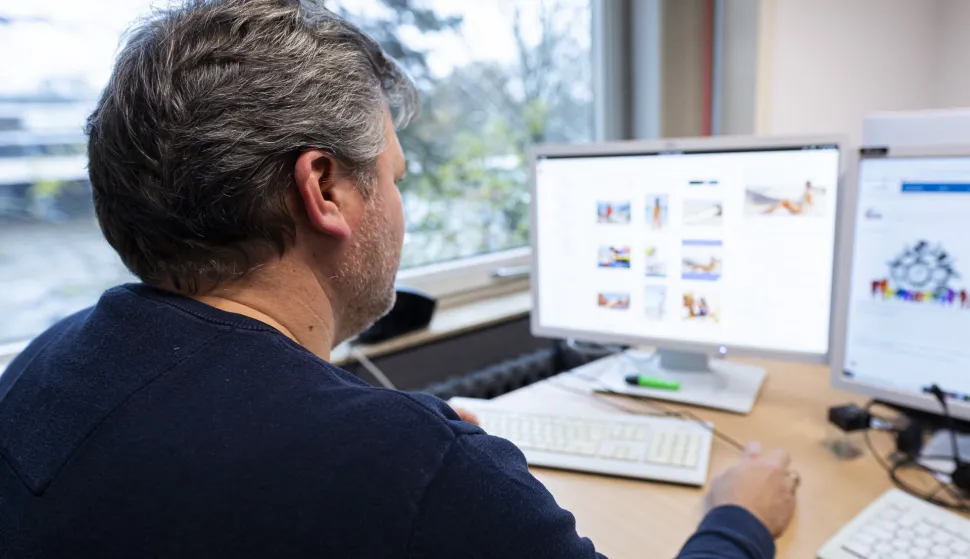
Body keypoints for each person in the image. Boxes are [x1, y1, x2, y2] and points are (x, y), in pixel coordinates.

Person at [0, 1, 798, 557]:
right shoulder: (409, 470)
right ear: (324, 189)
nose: (401, 206)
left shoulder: (41, 368)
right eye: (395, 176)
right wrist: (736, 519)